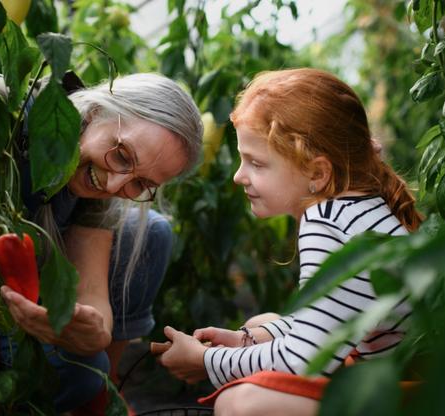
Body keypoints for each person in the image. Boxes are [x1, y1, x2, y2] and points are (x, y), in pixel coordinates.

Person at [0, 72, 203, 413]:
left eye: (141, 182)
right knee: (65, 377)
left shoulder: (97, 164)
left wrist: (91, 334)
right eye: (122, 156)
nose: (116, 185)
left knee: (150, 235)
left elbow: (92, 293)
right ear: (95, 112)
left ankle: (107, 394)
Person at [155, 68, 422, 415]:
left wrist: (206, 360)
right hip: (405, 373)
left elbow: (303, 361)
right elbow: (334, 319)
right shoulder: (362, 204)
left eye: (256, 163)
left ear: (317, 173)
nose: (239, 176)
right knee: (258, 325)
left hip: (416, 395)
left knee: (240, 404)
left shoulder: (325, 220)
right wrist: (243, 342)